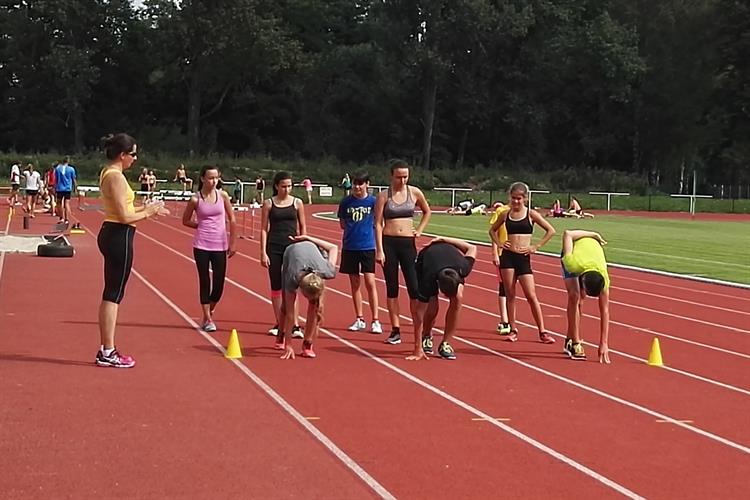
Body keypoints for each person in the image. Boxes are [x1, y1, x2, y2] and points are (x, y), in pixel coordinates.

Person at [96, 133, 168, 368]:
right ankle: (108, 350)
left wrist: (145, 206)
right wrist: (149, 212)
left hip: (115, 231)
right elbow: (125, 217)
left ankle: (107, 349)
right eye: (133, 154)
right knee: (113, 295)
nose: (135, 159)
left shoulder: (111, 173)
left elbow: (124, 208)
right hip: (118, 235)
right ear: (122, 155)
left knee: (113, 293)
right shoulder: (115, 177)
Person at [488, 181, 556, 344]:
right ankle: (513, 329)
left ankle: (542, 331)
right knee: (510, 294)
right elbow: (492, 230)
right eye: (513, 198)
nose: (516, 201)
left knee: (531, 295)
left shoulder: (531, 214)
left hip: (524, 258)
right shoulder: (505, 214)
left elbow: (550, 230)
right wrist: (499, 243)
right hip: (508, 257)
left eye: (519, 198)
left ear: (525, 198)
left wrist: (536, 246)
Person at [374, 159, 431, 345]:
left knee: (414, 288)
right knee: (392, 288)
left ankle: (418, 327)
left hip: (408, 244)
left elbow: (426, 211)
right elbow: (377, 223)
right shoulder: (384, 195)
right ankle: (395, 329)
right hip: (389, 242)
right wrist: (380, 250)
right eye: (399, 177)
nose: (403, 180)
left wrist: (420, 230)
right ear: (391, 176)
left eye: (405, 176)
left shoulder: (414, 192)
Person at [182, 166, 237, 332]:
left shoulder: (223, 196)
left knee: (219, 283)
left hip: (220, 244)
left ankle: (210, 308)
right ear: (202, 179)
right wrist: (200, 225)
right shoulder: (195, 199)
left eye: (216, 178)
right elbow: (185, 220)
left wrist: (233, 243)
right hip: (202, 245)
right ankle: (207, 318)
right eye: (210, 178)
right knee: (204, 280)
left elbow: (232, 219)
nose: (214, 181)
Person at [411, 237, 477, 361]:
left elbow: (472, 247)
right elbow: (418, 314)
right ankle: (426, 335)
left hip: (450, 258)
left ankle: (446, 343)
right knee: (431, 307)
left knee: (458, 298)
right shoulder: (428, 278)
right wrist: (417, 347)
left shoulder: (463, 267)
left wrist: (444, 239)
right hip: (426, 259)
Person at [260, 171, 307, 339]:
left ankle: (294, 324)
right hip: (274, 247)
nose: (287, 189)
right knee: (276, 286)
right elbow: (264, 229)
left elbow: (303, 227)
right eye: (283, 186)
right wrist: (263, 252)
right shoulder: (269, 204)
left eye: (289, 186)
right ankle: (279, 322)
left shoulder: (297, 203)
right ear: (276, 186)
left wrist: (303, 247)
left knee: (292, 285)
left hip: (292, 248)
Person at [277, 235, 338, 359]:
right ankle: (280, 336)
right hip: (291, 253)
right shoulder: (292, 277)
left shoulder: (327, 271)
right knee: (286, 305)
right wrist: (289, 345)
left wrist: (308, 238)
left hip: (313, 252)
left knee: (316, 307)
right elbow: (290, 314)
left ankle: (307, 344)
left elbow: (333, 247)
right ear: (301, 290)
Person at [337, 172, 381, 334]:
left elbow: (379, 222)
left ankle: (375, 319)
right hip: (350, 246)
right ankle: (359, 318)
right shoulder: (346, 202)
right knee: (354, 284)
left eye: (360, 184)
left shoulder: (373, 202)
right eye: (355, 184)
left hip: (367, 246)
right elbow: (342, 223)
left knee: (370, 283)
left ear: (367, 184)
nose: (357, 187)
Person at [561, 230, 611, 363]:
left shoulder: (604, 278)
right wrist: (594, 234)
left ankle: (569, 338)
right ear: (582, 281)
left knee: (581, 301)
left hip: (592, 254)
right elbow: (567, 234)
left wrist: (604, 343)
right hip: (573, 246)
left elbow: (605, 311)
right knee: (575, 296)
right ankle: (576, 342)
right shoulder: (572, 263)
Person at [489, 202, 512, 335]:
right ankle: (504, 320)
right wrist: (495, 252)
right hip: (503, 254)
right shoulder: (501, 211)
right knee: (504, 287)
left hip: (517, 254)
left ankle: (511, 321)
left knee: (513, 289)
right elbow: (494, 231)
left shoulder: (525, 212)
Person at [54, 156, 77, 224]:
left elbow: (56, 179)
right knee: (66, 203)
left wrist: (55, 187)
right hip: (67, 188)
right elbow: (73, 179)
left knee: (59, 203)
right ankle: (66, 218)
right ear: (68, 161)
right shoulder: (71, 169)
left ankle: (61, 217)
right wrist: (75, 188)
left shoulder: (58, 169)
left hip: (60, 188)